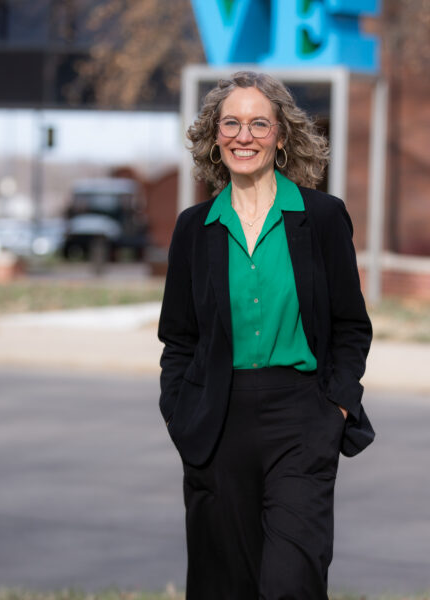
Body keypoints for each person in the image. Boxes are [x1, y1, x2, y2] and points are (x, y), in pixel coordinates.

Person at [158, 70, 374, 600]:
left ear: (281, 135)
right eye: (230, 123)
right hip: (216, 421)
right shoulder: (194, 227)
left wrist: (336, 409)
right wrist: (180, 414)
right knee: (225, 585)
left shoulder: (321, 218)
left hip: (302, 419)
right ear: (214, 136)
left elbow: (351, 326)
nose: (243, 135)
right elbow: (179, 340)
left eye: (258, 123)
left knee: (289, 583)